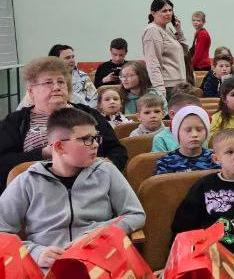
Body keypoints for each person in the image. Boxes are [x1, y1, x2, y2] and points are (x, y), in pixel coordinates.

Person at [0, 106, 144, 267]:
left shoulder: (106, 171)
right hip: (48, 267)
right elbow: (2, 232)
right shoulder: (27, 181)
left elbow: (135, 214)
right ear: (59, 146)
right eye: (86, 139)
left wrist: (101, 232)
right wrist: (35, 252)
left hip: (101, 262)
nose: (95, 145)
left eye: (96, 138)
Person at [0, 57, 127, 183]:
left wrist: (106, 167)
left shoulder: (89, 113)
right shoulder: (15, 121)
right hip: (36, 185)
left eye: (61, 82)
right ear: (31, 91)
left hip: (91, 182)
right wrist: (45, 153)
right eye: (48, 82)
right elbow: (4, 162)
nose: (57, 87)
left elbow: (117, 151)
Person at [171, 129, 234, 261]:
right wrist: (177, 256)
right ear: (216, 159)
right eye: (229, 152)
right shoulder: (204, 185)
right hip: (214, 251)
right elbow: (184, 223)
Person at [142, 0, 188, 102]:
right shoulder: (153, 31)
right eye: (164, 11)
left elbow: (185, 52)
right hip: (167, 86)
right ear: (153, 13)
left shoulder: (167, 28)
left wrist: (179, 31)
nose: (168, 13)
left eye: (170, 10)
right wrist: (159, 90)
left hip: (179, 84)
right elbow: (153, 62)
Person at [155, 105, 217, 174]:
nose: (194, 134)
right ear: (177, 133)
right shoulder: (165, 162)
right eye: (188, 130)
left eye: (199, 130)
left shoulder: (216, 158)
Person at [150, 86, 204, 153]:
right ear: (172, 114)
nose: (193, 117)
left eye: (197, 113)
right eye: (187, 113)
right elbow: (160, 159)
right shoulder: (160, 138)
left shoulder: (201, 134)